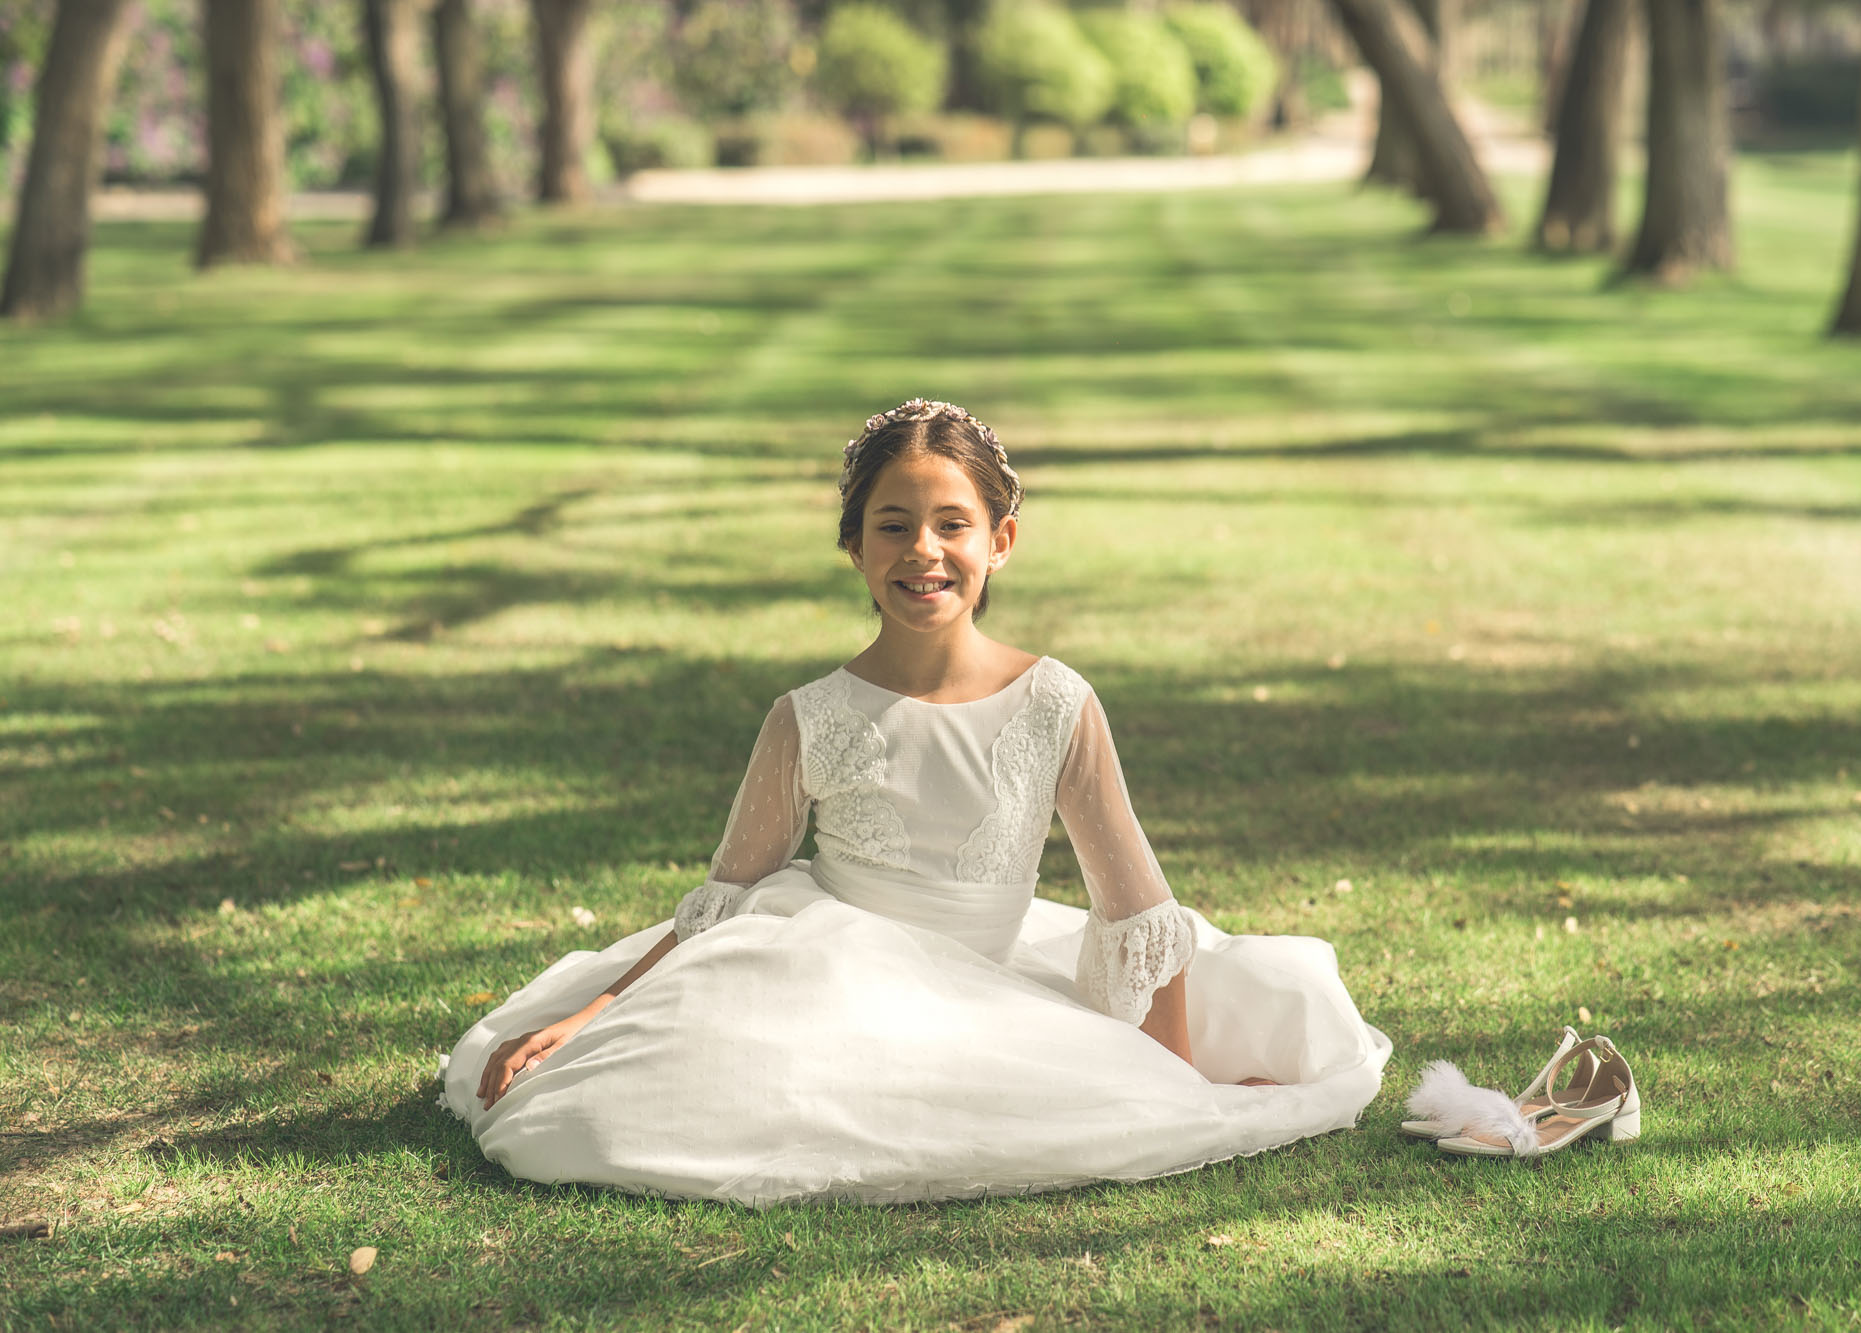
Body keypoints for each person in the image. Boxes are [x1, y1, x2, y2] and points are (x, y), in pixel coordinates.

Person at [436, 399, 1392, 1206]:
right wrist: (594, 1012)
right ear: (854, 546)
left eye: (951, 524)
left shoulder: (1056, 702)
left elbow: (1139, 913)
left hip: (992, 974)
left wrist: (1177, 1082)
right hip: (822, 971)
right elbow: (723, 903)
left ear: (1000, 541)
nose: (923, 551)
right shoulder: (806, 717)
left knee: (1202, 1036)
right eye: (892, 524)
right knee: (611, 1119)